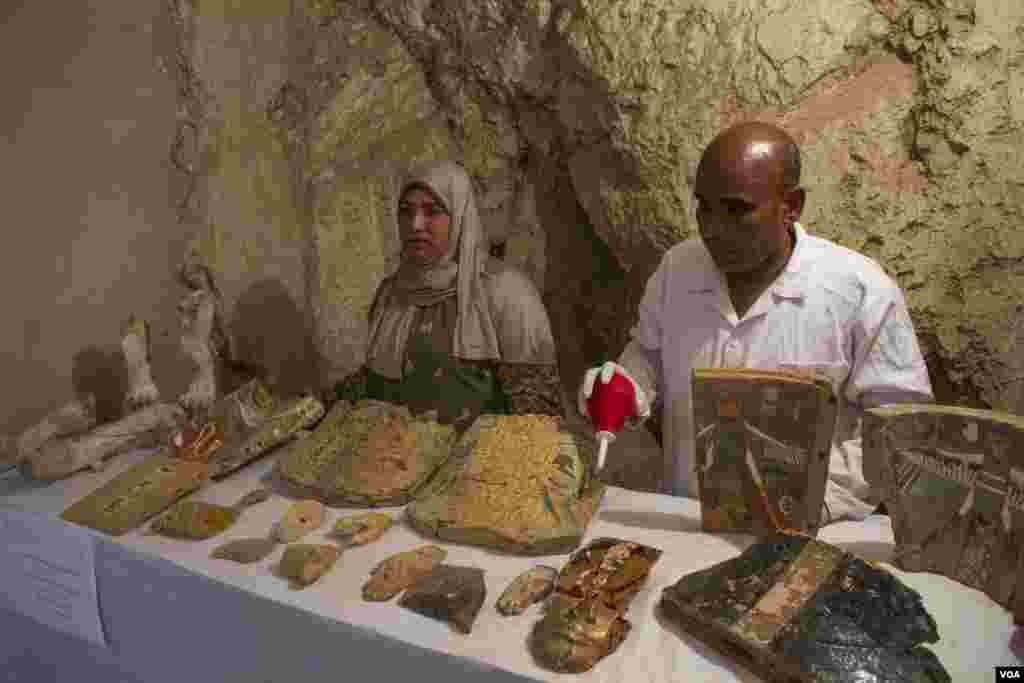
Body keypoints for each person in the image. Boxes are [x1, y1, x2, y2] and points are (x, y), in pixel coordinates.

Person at [578, 122, 934, 522]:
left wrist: (810, 495)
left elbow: (902, 427)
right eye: (704, 207)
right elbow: (648, 354)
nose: (713, 228)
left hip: (810, 535)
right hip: (685, 525)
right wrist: (627, 385)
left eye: (737, 210)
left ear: (792, 206)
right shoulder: (678, 269)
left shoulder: (859, 291)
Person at [332, 160, 562, 428]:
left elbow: (536, 413)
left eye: (432, 211)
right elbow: (377, 384)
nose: (416, 224)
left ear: (460, 215)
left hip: (475, 464)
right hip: (396, 461)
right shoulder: (391, 294)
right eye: (406, 212)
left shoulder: (505, 292)